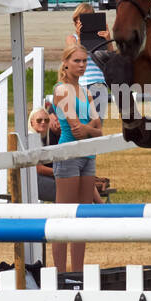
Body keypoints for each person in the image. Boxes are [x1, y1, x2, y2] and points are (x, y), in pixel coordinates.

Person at [51, 44, 103, 272]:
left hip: (88, 154)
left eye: (84, 61)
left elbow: (98, 129)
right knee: (64, 217)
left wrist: (89, 128)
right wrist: (90, 127)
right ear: (66, 63)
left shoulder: (86, 92)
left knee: (81, 219)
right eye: (77, 61)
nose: (81, 65)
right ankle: (61, 273)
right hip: (69, 154)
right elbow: (75, 129)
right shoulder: (61, 90)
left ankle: (78, 273)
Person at [66, 2, 110, 116]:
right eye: (80, 20)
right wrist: (80, 37)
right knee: (82, 124)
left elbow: (111, 59)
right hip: (81, 84)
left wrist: (108, 40)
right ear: (75, 21)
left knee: (97, 125)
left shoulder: (100, 38)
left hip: (99, 83)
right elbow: (76, 57)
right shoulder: (72, 38)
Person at [28, 107, 60, 202]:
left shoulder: (43, 138)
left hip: (37, 178)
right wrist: (62, 173)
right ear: (31, 122)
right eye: (39, 120)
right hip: (32, 182)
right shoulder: (31, 138)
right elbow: (39, 169)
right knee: (67, 190)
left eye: (46, 120)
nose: (43, 122)